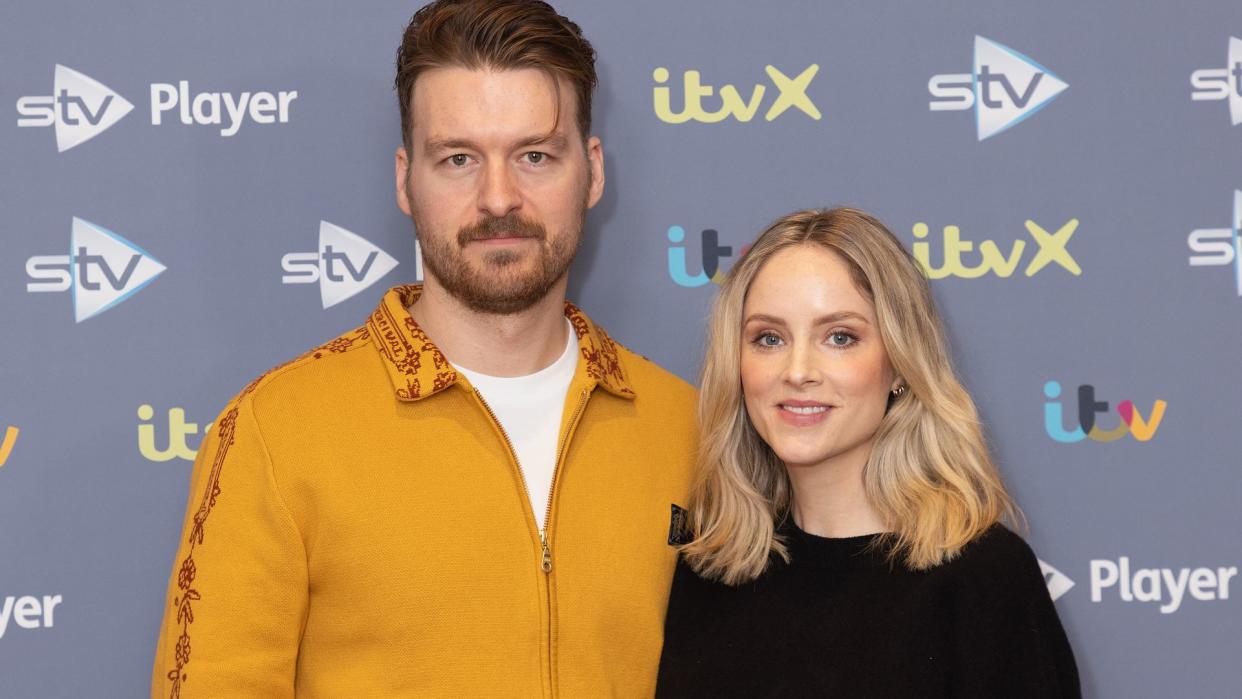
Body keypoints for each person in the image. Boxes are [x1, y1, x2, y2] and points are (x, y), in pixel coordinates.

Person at [151, 1, 697, 697]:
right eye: (459, 158)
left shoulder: (688, 429)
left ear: (591, 172)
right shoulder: (276, 431)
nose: (499, 198)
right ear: (406, 178)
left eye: (535, 155)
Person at [656, 208, 1081, 698]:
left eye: (840, 337)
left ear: (899, 364)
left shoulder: (982, 580)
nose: (797, 371)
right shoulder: (708, 566)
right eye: (768, 338)